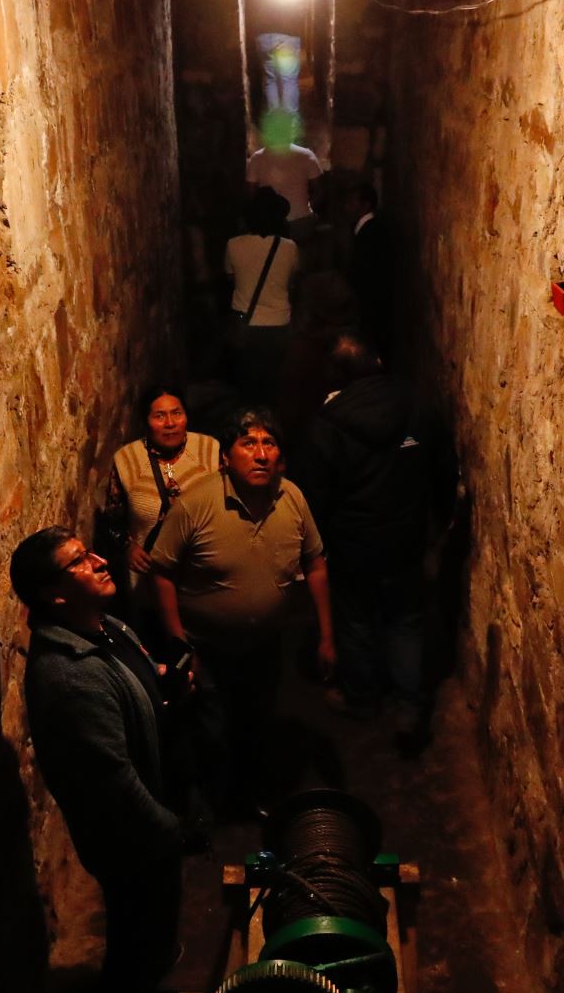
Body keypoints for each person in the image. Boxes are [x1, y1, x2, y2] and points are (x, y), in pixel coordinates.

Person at [9, 527, 197, 993]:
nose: (97, 560)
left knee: (150, 939)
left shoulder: (103, 627)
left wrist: (161, 683)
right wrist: (171, 832)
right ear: (54, 595)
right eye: (78, 561)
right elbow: (114, 784)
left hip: (151, 831)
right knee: (137, 952)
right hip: (135, 846)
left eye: (87, 552)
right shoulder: (71, 678)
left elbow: (131, 686)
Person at [149, 408, 333, 816]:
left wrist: (326, 636)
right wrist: (179, 643)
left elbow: (316, 563)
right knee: (211, 728)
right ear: (225, 459)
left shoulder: (292, 498)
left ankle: (251, 796)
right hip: (206, 647)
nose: (261, 454)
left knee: (258, 720)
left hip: (265, 643)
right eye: (248, 444)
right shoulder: (196, 505)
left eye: (269, 444)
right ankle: (212, 805)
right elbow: (161, 572)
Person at [293, 334, 454, 752]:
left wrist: (315, 550)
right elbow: (444, 470)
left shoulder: (327, 426)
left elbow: (317, 495)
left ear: (337, 376)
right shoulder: (419, 408)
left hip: (354, 545)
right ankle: (409, 708)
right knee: (406, 622)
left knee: (357, 621)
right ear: (379, 361)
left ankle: (362, 698)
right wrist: (437, 526)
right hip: (406, 539)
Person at [99, 386, 221, 628]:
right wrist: (127, 546)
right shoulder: (127, 460)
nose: (170, 423)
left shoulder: (209, 451)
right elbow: (112, 518)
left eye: (176, 413)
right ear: (145, 421)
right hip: (149, 584)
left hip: (205, 581)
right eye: (159, 416)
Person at [222, 188, 300, 406]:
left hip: (246, 323)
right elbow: (292, 279)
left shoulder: (233, 244)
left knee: (247, 383)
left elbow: (230, 277)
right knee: (274, 381)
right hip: (279, 322)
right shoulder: (290, 247)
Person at [245, 109, 323, 241]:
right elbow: (319, 191)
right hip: (301, 223)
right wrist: (308, 209)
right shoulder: (306, 155)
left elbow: (251, 195)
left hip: (269, 225)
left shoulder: (257, 158)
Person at [344, 181, 396, 360]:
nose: (347, 207)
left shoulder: (371, 233)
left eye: (351, 202)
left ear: (365, 205)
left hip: (372, 303)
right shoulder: (368, 229)